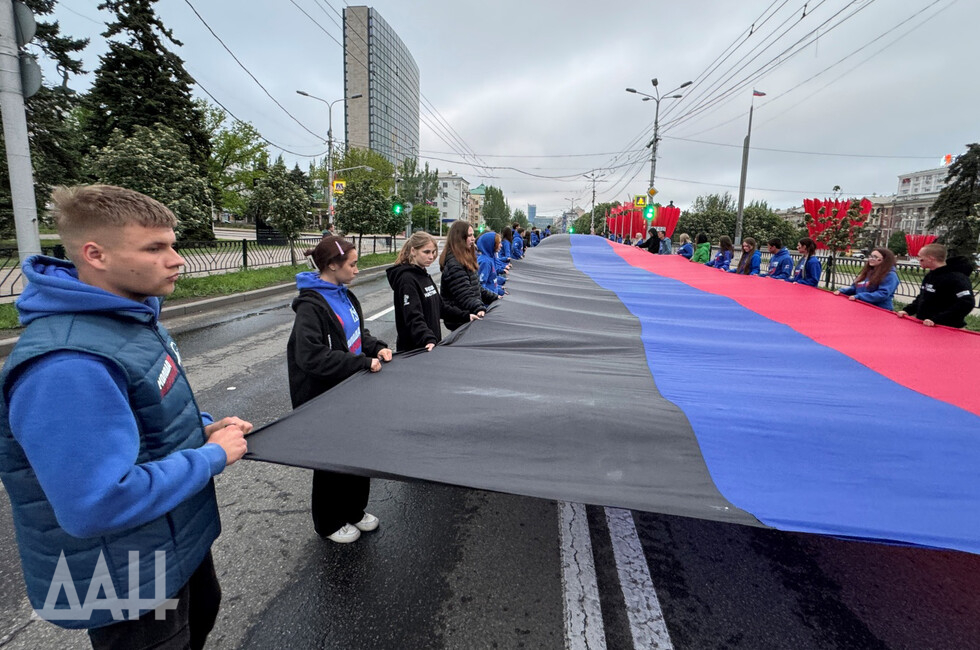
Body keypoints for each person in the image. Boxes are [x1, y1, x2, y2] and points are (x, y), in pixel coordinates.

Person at [0, 184, 250, 647]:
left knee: (200, 621)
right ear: (96, 255)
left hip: (169, 547)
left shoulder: (130, 320)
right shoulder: (67, 363)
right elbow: (95, 503)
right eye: (155, 247)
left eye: (173, 244)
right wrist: (211, 457)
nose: (177, 259)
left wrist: (201, 429)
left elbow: (143, 420)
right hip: (123, 578)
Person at [287, 236, 392, 544]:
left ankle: (354, 511)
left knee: (359, 450)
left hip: (352, 389)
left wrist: (379, 348)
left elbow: (358, 333)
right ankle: (329, 521)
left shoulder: (344, 294)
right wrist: (361, 362)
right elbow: (311, 357)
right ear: (332, 266)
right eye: (353, 264)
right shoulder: (311, 306)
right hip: (325, 396)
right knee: (331, 459)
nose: (357, 270)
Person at [387, 232, 476, 352]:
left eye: (433, 252)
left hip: (430, 346)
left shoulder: (424, 275)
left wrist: (465, 315)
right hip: (415, 349)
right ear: (413, 251)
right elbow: (413, 316)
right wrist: (427, 338)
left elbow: (440, 307)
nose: (431, 257)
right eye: (426, 252)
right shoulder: (406, 279)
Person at [898, 243, 975, 327]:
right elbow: (923, 297)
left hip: (946, 327)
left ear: (931, 258)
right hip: (924, 324)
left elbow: (966, 303)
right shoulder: (930, 275)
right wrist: (908, 310)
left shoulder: (957, 277)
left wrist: (937, 319)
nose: (918, 259)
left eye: (920, 257)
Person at [439, 220, 494, 330]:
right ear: (460, 238)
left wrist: (496, 298)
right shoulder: (454, 264)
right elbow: (464, 295)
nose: (473, 238)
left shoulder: (465, 259)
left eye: (473, 234)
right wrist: (479, 308)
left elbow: (476, 288)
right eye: (470, 235)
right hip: (461, 320)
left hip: (468, 317)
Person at [834, 247, 900, 310]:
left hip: (879, 309)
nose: (871, 259)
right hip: (862, 306)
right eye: (870, 256)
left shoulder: (890, 275)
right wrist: (842, 291)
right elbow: (855, 287)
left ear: (885, 260)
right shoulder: (868, 272)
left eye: (875, 257)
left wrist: (860, 297)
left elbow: (883, 294)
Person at [477, 231, 507, 297]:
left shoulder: (490, 258)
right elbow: (481, 287)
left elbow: (491, 281)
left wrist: (500, 290)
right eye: (499, 243)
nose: (501, 245)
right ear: (491, 244)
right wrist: (495, 297)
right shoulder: (485, 262)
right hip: (488, 302)